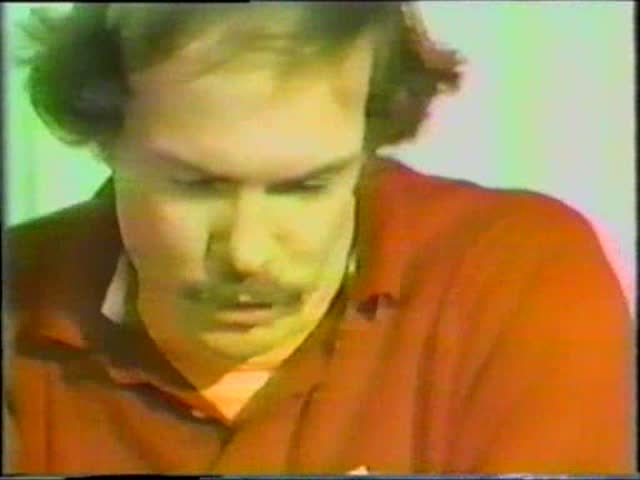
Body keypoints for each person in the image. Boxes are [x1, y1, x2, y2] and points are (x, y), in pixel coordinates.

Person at [4, 2, 633, 475]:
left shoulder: (516, 273)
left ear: (368, 144)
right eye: (195, 187)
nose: (247, 253)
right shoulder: (17, 295)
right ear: (106, 143)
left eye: (305, 188)